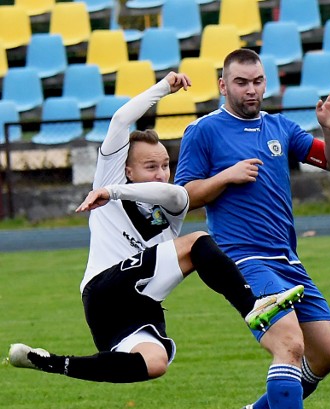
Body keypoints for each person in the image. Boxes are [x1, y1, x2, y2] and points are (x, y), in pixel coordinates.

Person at [7, 72, 304, 383]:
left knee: (154, 363)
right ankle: (251, 306)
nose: (162, 173)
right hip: (104, 292)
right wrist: (164, 88)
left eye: (165, 165)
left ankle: (53, 363)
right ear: (127, 169)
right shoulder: (109, 178)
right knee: (197, 242)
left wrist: (114, 192)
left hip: (139, 304)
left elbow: (175, 193)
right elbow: (121, 119)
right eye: (151, 167)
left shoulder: (163, 201)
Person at [174, 48, 330, 409]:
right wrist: (225, 176)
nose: (250, 90)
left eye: (256, 82)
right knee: (289, 343)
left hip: (287, 259)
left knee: (329, 353)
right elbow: (184, 196)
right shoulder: (203, 131)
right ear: (223, 85)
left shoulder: (280, 127)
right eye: (241, 83)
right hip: (242, 259)